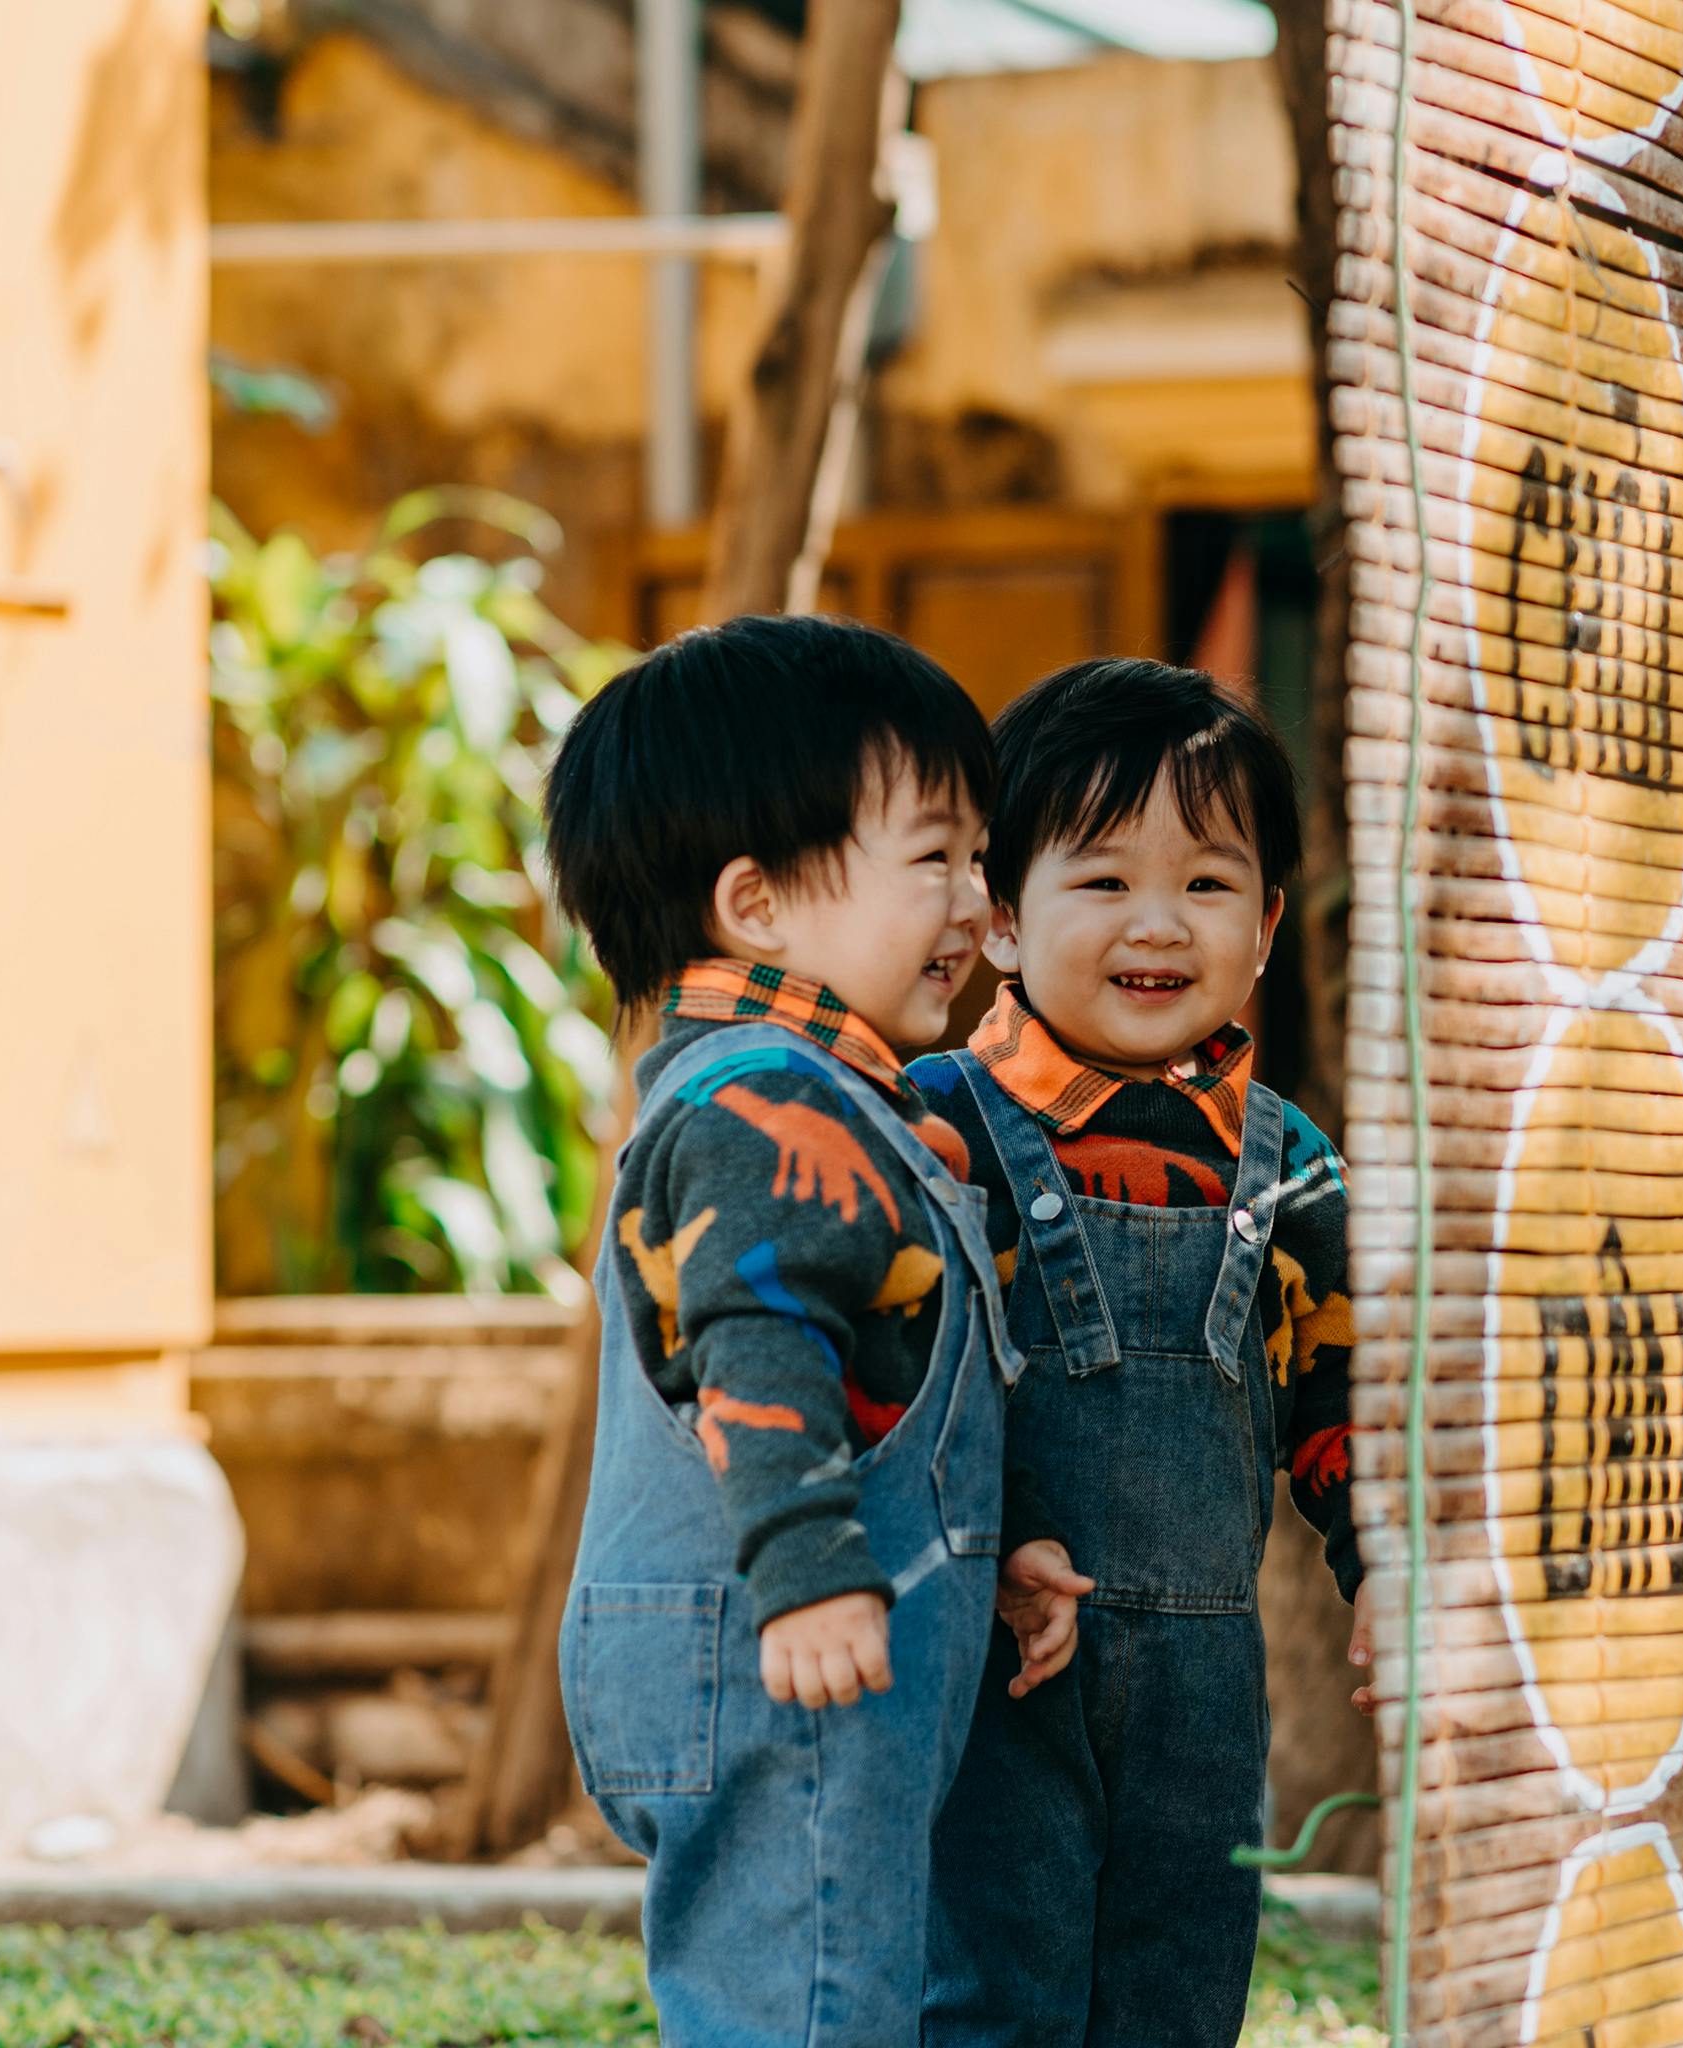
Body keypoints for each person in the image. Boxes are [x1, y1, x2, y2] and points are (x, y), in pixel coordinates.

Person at [545, 614, 1076, 2048]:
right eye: (935, 859)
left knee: (836, 1988)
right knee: (810, 2008)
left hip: (802, 1647)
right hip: (779, 1658)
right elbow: (757, 1335)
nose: (979, 903)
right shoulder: (760, 1102)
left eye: (980, 857)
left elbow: (878, 1380)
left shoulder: (832, 1097)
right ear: (758, 904)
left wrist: (987, 1538)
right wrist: (808, 1572)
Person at [914, 658, 1362, 2048]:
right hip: (995, 1664)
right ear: (998, 913)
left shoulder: (1293, 1168)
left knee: (1181, 1994)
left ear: (1271, 922)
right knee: (994, 1992)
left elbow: (1350, 1407)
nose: (1157, 923)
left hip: (1207, 1698)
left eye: (1209, 884)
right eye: (1102, 882)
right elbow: (890, 1383)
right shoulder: (937, 1128)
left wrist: (1388, 1580)